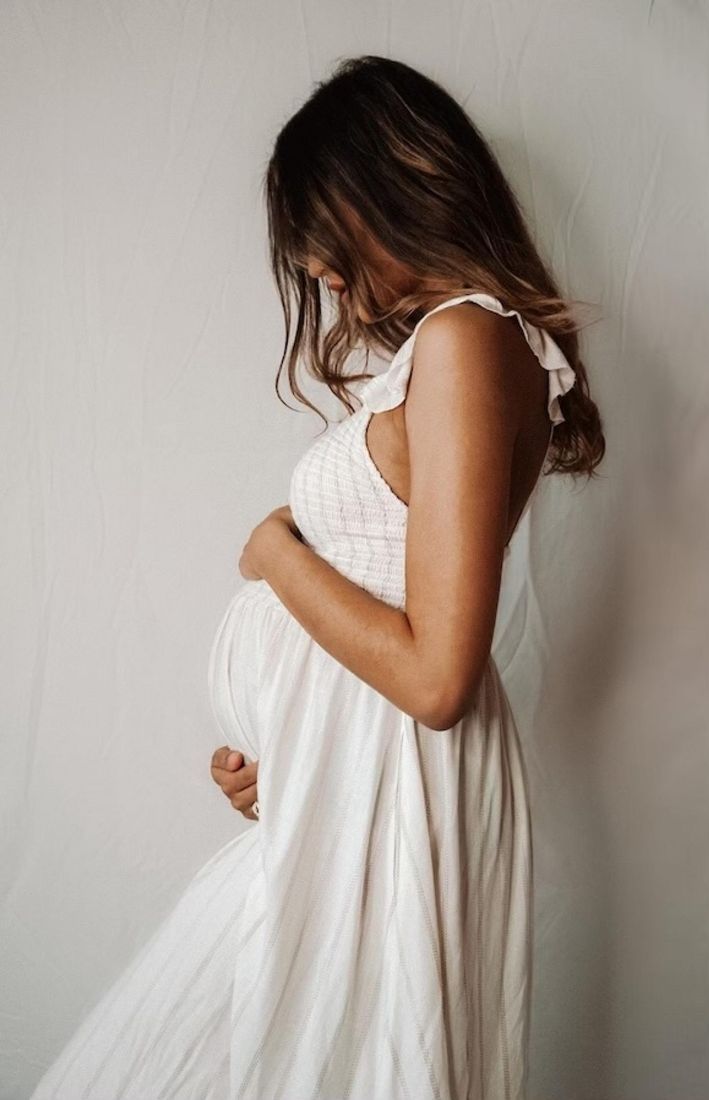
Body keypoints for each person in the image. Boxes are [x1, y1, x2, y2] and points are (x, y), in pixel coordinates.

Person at [31, 54, 605, 1100]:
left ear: (385, 187)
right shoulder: (442, 348)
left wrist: (276, 554)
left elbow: (437, 677)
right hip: (351, 793)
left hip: (399, 790)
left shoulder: (469, 341)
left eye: (320, 234)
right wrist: (289, 757)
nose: (317, 270)